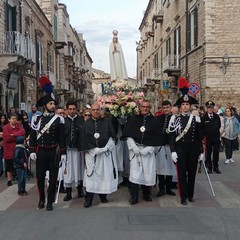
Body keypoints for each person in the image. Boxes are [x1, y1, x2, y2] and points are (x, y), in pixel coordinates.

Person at [168, 77, 203, 205]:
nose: (185, 106)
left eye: (187, 104)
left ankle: (190, 194)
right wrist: (173, 151)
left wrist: (201, 151)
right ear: (180, 106)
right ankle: (183, 196)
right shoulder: (175, 119)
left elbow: (199, 136)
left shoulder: (196, 119)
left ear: (190, 106)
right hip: (180, 148)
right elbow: (172, 136)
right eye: (183, 104)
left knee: (192, 173)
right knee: (181, 173)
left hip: (193, 148)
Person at [29, 93, 66, 211]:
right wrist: (32, 150)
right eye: (50, 103)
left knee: (53, 178)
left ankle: (50, 201)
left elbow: (62, 138)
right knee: (40, 177)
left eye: (54, 103)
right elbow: (33, 135)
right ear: (45, 105)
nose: (53, 105)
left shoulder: (59, 119)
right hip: (41, 151)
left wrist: (63, 152)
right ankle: (41, 199)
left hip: (54, 152)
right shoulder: (37, 118)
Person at [79, 103, 118, 208]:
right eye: (94, 110)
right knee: (92, 176)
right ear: (90, 111)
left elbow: (112, 136)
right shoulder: (86, 124)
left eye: (98, 109)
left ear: (100, 110)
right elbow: (84, 140)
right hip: (92, 155)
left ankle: (103, 196)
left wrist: (106, 147)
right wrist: (94, 150)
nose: (96, 111)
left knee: (104, 175)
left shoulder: (107, 122)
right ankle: (89, 199)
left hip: (104, 155)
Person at [122, 99, 160, 204]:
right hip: (135, 151)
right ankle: (134, 196)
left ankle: (146, 194)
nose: (145, 109)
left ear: (150, 108)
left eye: (147, 107)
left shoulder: (155, 121)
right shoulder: (133, 119)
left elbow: (157, 138)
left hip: (148, 151)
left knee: (147, 172)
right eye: (143, 107)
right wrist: (134, 147)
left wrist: (148, 149)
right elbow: (128, 135)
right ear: (140, 107)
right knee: (135, 174)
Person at [63, 99, 85, 201]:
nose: (72, 111)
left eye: (73, 109)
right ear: (67, 110)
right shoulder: (63, 121)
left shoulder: (81, 120)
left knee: (78, 169)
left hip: (78, 150)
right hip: (67, 150)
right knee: (68, 171)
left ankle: (80, 190)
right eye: (70, 109)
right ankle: (68, 192)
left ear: (76, 109)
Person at [155, 100, 176, 197]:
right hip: (160, 145)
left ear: (171, 107)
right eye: (164, 108)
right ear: (162, 109)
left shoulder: (175, 118)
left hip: (171, 146)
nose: (166, 109)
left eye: (167, 107)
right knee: (161, 167)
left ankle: (169, 188)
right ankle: (161, 188)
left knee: (170, 167)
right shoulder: (158, 119)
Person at [3, 113, 25, 186]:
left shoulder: (18, 125)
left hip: (17, 148)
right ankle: (9, 179)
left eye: (15, 118)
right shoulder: (5, 127)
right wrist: (17, 136)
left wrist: (13, 134)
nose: (14, 120)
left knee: (18, 163)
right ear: (9, 120)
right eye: (13, 118)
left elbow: (23, 132)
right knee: (9, 165)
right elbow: (7, 138)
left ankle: (19, 177)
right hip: (8, 148)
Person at [201, 101, 221, 174]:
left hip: (216, 137)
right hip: (208, 138)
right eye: (208, 108)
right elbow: (202, 128)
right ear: (207, 108)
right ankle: (209, 167)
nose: (210, 109)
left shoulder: (216, 116)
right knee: (208, 153)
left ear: (213, 108)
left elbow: (219, 126)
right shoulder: (203, 117)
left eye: (211, 108)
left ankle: (216, 166)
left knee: (216, 153)